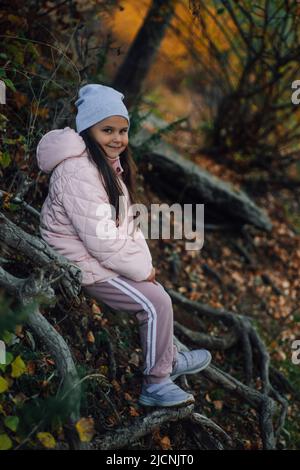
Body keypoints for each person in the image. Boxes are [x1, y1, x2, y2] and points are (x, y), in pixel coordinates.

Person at [36, 83, 212, 407]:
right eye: (107, 130)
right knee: (154, 302)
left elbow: (127, 226)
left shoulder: (107, 167)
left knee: (154, 291)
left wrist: (145, 267)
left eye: (122, 130)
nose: (117, 138)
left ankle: (168, 359)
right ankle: (156, 383)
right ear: (88, 129)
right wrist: (142, 270)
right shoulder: (77, 171)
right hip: (76, 260)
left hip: (94, 251)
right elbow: (102, 240)